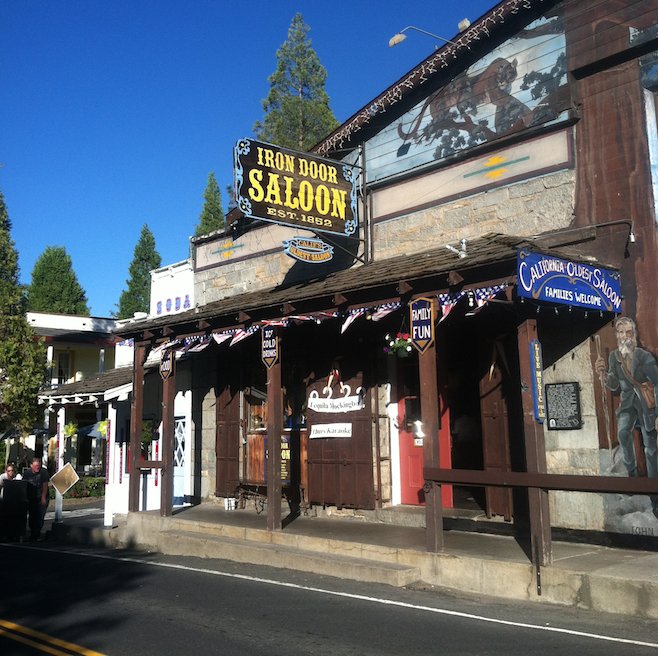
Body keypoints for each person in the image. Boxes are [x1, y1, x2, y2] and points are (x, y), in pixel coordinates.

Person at [596, 317, 658, 518]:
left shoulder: (644, 357)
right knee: (623, 433)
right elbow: (614, 386)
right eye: (620, 333)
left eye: (628, 333)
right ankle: (632, 475)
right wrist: (603, 375)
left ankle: (654, 494)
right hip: (628, 404)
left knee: (650, 448)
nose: (624, 337)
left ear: (634, 334)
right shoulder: (615, 357)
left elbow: (656, 383)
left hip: (646, 405)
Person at [23, 457, 51, 541]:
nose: (37, 468)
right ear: (31, 465)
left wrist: (43, 497)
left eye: (38, 466)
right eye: (35, 466)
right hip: (32, 498)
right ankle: (32, 533)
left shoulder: (43, 472)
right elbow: (24, 485)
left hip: (41, 496)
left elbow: (45, 486)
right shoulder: (27, 473)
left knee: (39, 517)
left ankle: (36, 534)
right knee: (32, 516)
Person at [0, 464, 26, 541]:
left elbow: (20, 487)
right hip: (3, 500)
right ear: (6, 471)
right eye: (9, 471)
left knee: (15, 518)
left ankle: (14, 535)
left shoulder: (17, 477)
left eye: (12, 471)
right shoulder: (2, 477)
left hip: (15, 501)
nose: (10, 472)